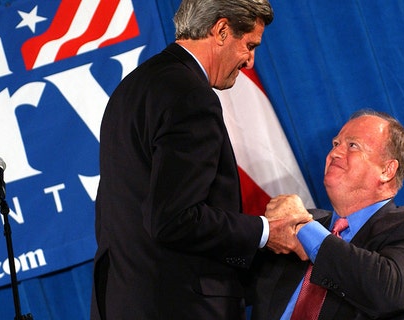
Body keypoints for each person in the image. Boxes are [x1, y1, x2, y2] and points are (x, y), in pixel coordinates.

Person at [91, 0, 312, 319]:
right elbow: (172, 218)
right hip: (179, 306)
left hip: (122, 302)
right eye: (249, 45)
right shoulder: (190, 95)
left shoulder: (132, 88)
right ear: (222, 30)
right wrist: (266, 230)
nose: (250, 61)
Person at [250, 110, 404, 319]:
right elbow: (232, 272)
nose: (334, 153)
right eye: (336, 144)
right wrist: (259, 233)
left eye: (352, 145)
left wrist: (304, 229)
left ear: (387, 170)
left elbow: (385, 290)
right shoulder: (299, 222)